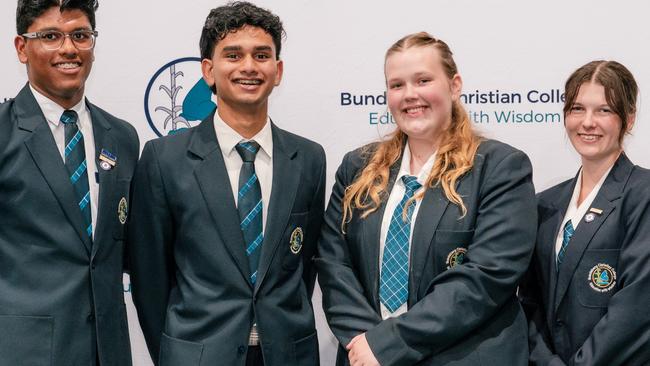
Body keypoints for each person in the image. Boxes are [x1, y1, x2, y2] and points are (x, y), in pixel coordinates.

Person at [316, 32, 537, 366]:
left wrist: (391, 343)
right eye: (397, 85)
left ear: (454, 85)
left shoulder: (500, 168)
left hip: (464, 356)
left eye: (423, 80)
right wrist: (368, 346)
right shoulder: (356, 167)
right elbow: (335, 267)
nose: (410, 95)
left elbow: (486, 278)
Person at [127, 2, 325, 366]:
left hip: (287, 354)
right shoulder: (164, 158)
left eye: (261, 55)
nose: (248, 66)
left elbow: (303, 266)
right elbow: (149, 277)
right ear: (209, 70)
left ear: (277, 70)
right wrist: (177, 352)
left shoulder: (309, 158)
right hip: (197, 355)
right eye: (233, 55)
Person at [0, 1, 138, 365]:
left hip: (109, 352)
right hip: (22, 353)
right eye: (50, 36)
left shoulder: (122, 137)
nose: (68, 48)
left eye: (81, 35)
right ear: (21, 47)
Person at [519, 60, 650, 365]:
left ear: (628, 120)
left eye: (604, 110)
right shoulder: (545, 204)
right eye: (577, 108)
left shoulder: (643, 194)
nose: (587, 122)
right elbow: (528, 302)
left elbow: (637, 308)